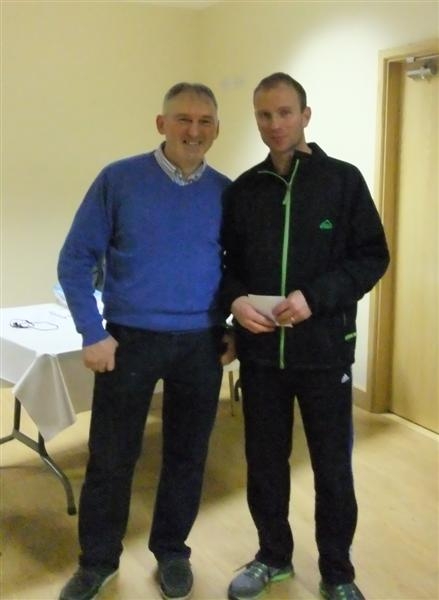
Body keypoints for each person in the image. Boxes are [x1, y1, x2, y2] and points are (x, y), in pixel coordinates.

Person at [57, 82, 233, 600]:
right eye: (183, 119)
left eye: (204, 121)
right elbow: (75, 260)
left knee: (187, 456)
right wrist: (92, 332)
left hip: (201, 344)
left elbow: (237, 270)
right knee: (111, 458)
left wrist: (230, 328)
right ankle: (97, 562)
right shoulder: (119, 180)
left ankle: (172, 551)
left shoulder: (227, 193)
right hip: (129, 341)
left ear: (216, 129)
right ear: (161, 124)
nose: (193, 131)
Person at [221, 73, 390, 600]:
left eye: (285, 112)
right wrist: (235, 301)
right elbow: (225, 266)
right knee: (264, 464)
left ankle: (337, 572)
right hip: (261, 358)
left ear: (305, 116)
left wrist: (315, 297)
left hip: (324, 355)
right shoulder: (244, 190)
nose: (275, 124)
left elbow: (372, 256)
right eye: (264, 114)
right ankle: (272, 556)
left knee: (332, 470)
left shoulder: (343, 181)